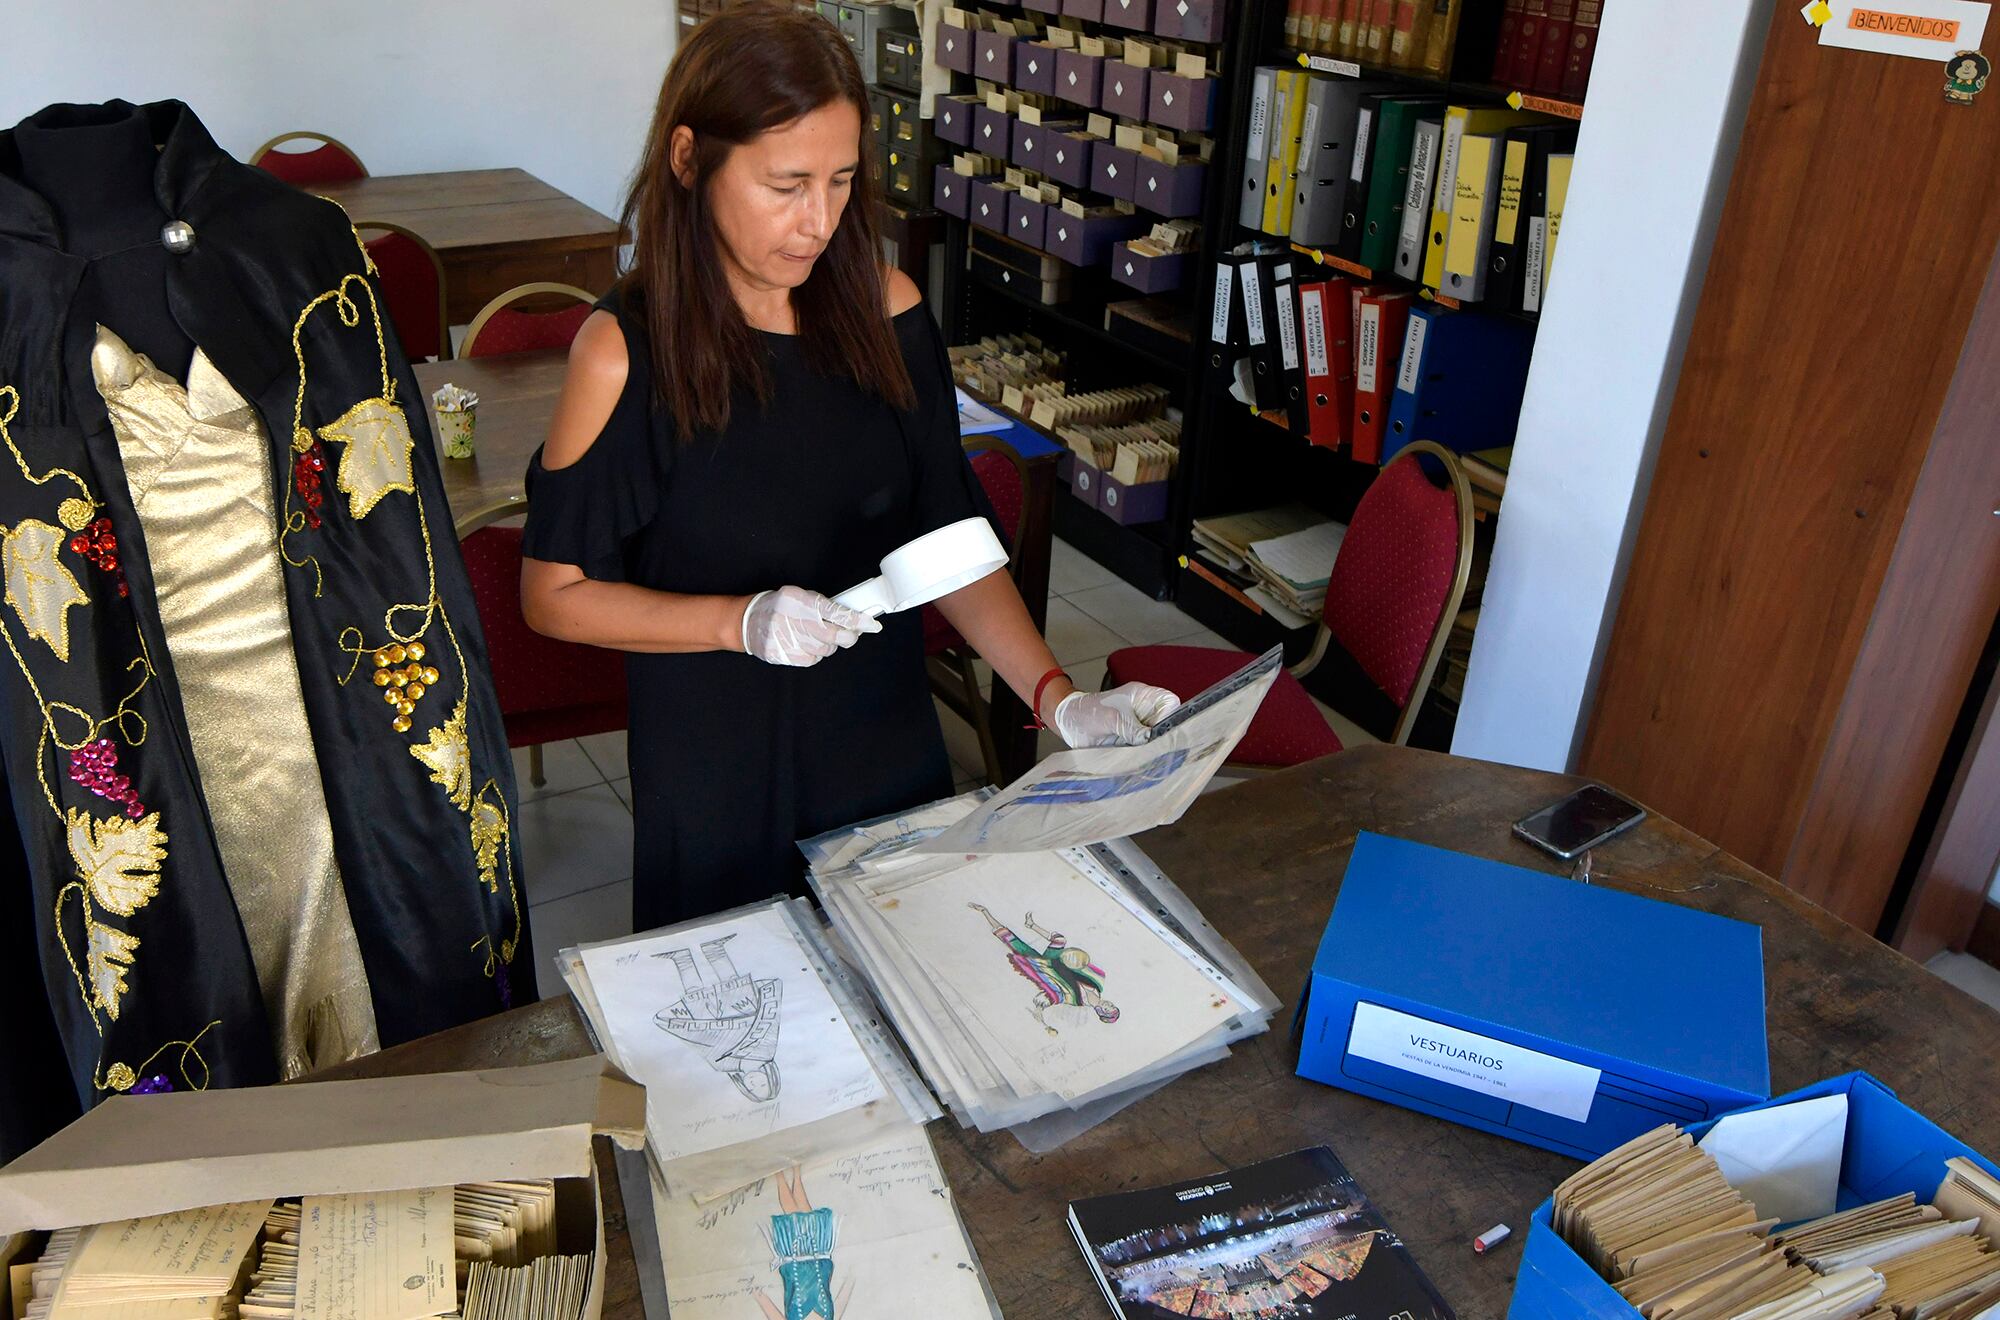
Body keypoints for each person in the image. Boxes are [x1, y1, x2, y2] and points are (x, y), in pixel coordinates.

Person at [520, 2, 1178, 928]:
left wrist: (1057, 698)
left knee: (904, 975)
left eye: (840, 181)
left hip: (878, 734)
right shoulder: (624, 352)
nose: (819, 221)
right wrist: (740, 622)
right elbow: (553, 592)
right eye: (785, 185)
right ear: (687, 161)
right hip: (717, 760)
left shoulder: (885, 310)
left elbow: (948, 540)